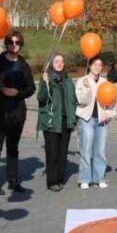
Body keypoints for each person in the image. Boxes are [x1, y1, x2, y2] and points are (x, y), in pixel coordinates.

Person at [0, 32, 35, 194]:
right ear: (7, 43)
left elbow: (31, 88)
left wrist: (17, 92)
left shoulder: (23, 64)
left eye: (17, 42)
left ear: (21, 44)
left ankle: (13, 180)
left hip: (17, 113)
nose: (14, 45)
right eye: (11, 42)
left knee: (13, 147)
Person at [37, 53, 76, 191]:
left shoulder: (67, 80)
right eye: (56, 61)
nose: (60, 64)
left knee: (62, 151)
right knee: (52, 151)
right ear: (51, 64)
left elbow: (73, 100)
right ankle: (52, 181)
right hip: (51, 120)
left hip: (66, 121)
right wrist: (44, 83)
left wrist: (74, 118)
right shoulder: (47, 78)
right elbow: (41, 98)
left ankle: (60, 178)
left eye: (62, 61)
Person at [75, 56, 115, 189]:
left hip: (101, 120)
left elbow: (112, 102)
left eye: (100, 65)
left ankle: (99, 177)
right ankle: (85, 178)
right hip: (86, 118)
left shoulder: (105, 82)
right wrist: (87, 89)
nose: (97, 67)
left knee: (100, 150)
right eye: (95, 64)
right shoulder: (82, 81)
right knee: (85, 149)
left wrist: (108, 115)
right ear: (90, 65)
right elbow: (81, 100)